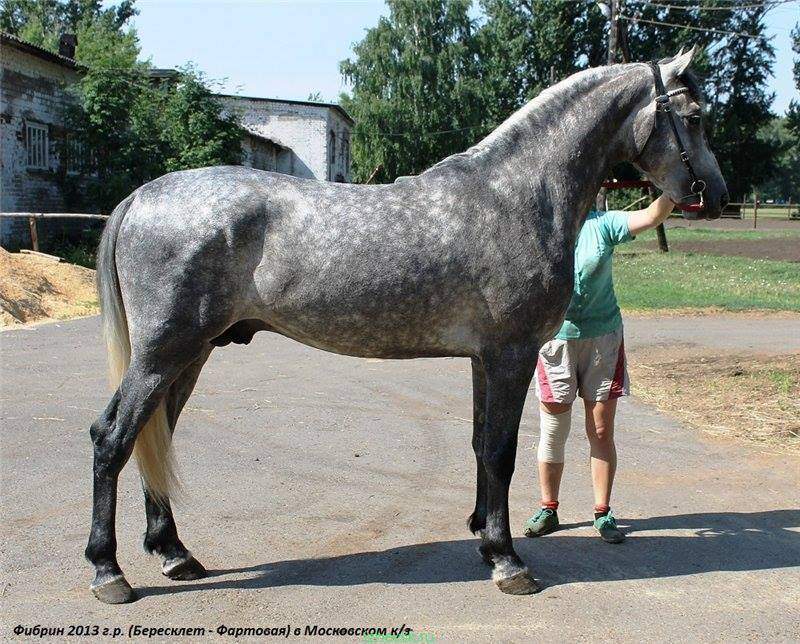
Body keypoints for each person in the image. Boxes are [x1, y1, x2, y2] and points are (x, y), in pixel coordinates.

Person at [524, 194, 675, 543]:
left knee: (602, 431)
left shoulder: (602, 224)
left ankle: (602, 512)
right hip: (555, 340)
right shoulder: (542, 227)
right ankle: (548, 508)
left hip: (603, 340)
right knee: (553, 430)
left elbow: (651, 216)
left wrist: (672, 189)